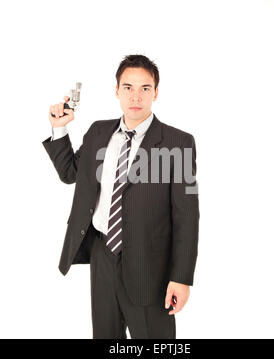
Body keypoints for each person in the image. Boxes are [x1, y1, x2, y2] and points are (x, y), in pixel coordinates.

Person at [42, 54, 199, 339]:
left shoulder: (179, 143)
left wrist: (181, 277)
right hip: (102, 255)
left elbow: (187, 216)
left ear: (156, 93)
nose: (135, 96)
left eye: (145, 88)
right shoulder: (98, 132)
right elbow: (69, 173)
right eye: (127, 87)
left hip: (151, 266)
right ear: (116, 91)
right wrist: (60, 128)